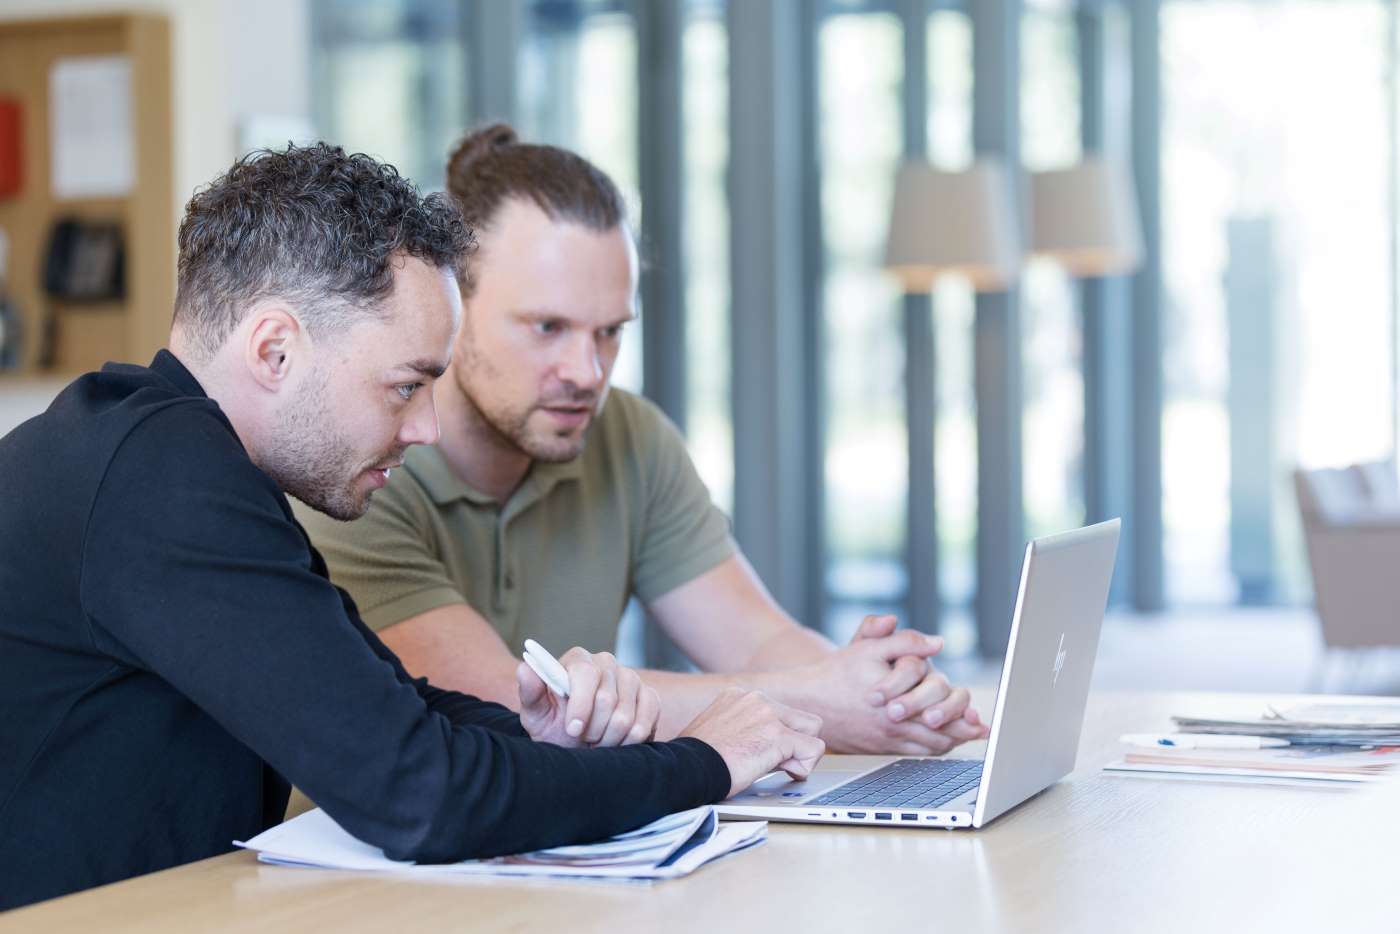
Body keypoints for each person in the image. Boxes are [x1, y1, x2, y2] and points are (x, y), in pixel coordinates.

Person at [0, 144, 823, 911]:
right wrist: (703, 763)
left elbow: (383, 702)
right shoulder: (162, 478)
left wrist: (538, 737)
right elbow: (420, 795)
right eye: (406, 385)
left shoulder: (177, 458)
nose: (426, 427)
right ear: (276, 349)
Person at [295, 125, 990, 755]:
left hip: (558, 852)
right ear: (455, 309)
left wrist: (874, 693)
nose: (586, 372)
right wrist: (818, 701)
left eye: (609, 331)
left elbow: (759, 643)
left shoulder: (627, 436)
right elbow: (500, 702)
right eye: (547, 327)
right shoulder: (363, 458)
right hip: (358, 873)